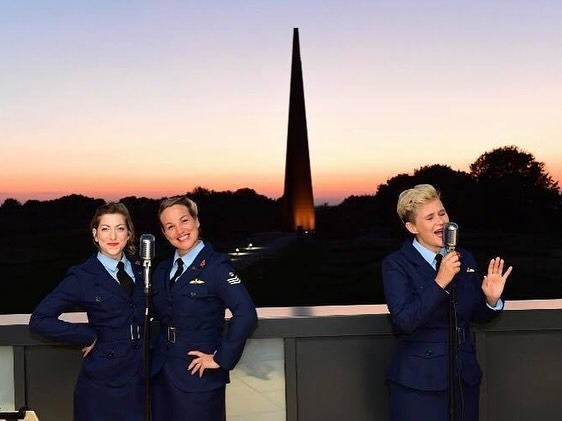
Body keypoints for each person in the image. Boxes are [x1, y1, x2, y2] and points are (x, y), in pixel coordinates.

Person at [382, 184, 513, 421]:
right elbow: (403, 322)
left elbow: (474, 315)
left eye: (442, 213)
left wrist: (491, 300)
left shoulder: (464, 258)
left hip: (464, 377)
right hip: (419, 383)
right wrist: (440, 280)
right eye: (430, 217)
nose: (440, 222)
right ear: (412, 227)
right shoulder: (396, 265)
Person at [29, 202, 145, 421]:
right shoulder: (82, 276)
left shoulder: (140, 268)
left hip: (143, 378)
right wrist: (87, 335)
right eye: (105, 228)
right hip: (103, 381)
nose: (113, 235)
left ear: (129, 233)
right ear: (95, 233)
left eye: (120, 228)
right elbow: (40, 319)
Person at [150, 195, 257, 421]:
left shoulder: (217, 267)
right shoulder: (161, 270)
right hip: (162, 371)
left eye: (184, 221)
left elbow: (245, 313)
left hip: (198, 372)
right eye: (170, 226)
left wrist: (221, 359)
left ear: (197, 221)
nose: (179, 230)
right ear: (164, 233)